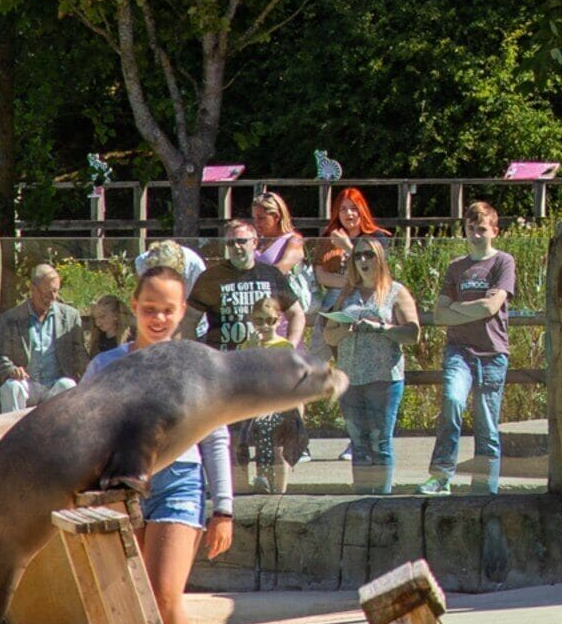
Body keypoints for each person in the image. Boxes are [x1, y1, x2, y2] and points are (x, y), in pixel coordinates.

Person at [87, 261, 235, 624]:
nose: (158, 318)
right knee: (129, 599)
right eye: (150, 308)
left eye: (168, 310)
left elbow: (216, 436)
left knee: (166, 593)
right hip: (119, 486)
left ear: (182, 310)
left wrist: (223, 509)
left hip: (179, 480)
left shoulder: (197, 367)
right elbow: (82, 430)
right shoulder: (106, 366)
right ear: (134, 306)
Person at [191, 223, 303, 493]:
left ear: (255, 242)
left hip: (268, 371)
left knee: (275, 436)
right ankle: (239, 499)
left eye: (242, 241)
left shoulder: (270, 274)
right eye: (231, 243)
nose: (237, 247)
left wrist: (289, 346)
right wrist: (194, 355)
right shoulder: (211, 278)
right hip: (226, 371)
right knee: (232, 439)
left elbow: (297, 313)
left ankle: (277, 500)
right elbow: (188, 320)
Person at [316, 234, 417, 494]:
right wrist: (344, 328)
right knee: (358, 442)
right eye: (357, 255)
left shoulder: (396, 291)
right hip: (350, 376)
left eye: (369, 254)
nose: (363, 260)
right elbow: (329, 335)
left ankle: (381, 501)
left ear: (379, 259)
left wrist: (380, 328)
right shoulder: (347, 293)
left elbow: (412, 333)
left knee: (379, 441)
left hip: (383, 377)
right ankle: (361, 500)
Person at [430, 203, 518, 495]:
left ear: (494, 231)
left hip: (492, 353)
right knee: (452, 401)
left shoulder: (503, 262)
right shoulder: (456, 267)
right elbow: (439, 315)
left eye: (482, 229)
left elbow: (492, 307)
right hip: (459, 350)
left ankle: (484, 489)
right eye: (471, 229)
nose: (476, 234)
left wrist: (457, 306)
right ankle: (440, 476)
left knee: (486, 424)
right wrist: (474, 307)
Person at [0, 262, 86, 412]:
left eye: (55, 291)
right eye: (47, 293)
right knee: (10, 387)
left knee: (68, 385)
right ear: (33, 289)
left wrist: (91, 376)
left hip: (55, 385)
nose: (52, 297)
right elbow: (1, 356)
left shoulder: (70, 316)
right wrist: (11, 369)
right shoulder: (11, 318)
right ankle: (13, 428)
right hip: (28, 384)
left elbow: (79, 354)